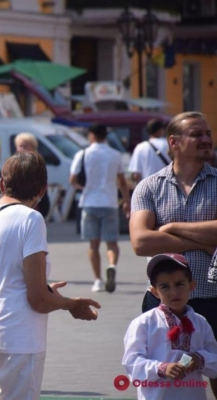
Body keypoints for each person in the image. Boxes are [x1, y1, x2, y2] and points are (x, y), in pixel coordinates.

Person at [0, 153, 100, 400]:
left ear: (2, 184)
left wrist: (44, 291)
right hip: (19, 337)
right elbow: (38, 300)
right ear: (42, 190)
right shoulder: (31, 219)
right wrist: (71, 304)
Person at [129, 111, 217, 396]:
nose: (206, 139)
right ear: (174, 142)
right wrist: (204, 242)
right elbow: (140, 242)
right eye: (197, 134)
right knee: (166, 380)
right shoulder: (149, 187)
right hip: (165, 301)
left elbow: (152, 238)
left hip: (213, 295)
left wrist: (171, 228)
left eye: (208, 133)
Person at [123, 253, 217, 400]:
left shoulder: (201, 323)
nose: (174, 292)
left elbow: (214, 362)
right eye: (165, 286)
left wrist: (200, 359)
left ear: (192, 286)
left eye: (179, 284)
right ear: (155, 292)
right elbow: (131, 363)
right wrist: (162, 368)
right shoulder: (144, 323)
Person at [69, 123, 130, 293]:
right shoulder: (115, 154)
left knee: (93, 245)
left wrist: (84, 188)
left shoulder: (83, 154)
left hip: (89, 202)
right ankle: (112, 265)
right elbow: (122, 182)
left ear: (92, 135)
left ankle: (98, 280)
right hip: (110, 202)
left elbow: (72, 179)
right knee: (112, 243)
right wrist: (126, 201)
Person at [14, 132, 50, 218]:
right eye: (20, 146)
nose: (23, 149)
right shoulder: (13, 163)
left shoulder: (38, 162)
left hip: (35, 202)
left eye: (25, 146)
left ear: (33, 147)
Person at [128, 119, 170, 183]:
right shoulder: (168, 144)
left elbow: (136, 175)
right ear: (160, 130)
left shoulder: (140, 147)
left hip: (148, 185)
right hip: (167, 184)